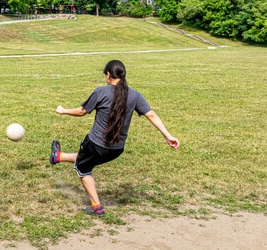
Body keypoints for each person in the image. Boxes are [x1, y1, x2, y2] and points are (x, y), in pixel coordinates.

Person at [50, 60, 179, 216]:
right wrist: (168, 136)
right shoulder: (135, 95)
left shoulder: (101, 92)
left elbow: (82, 111)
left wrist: (63, 110)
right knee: (87, 158)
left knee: (84, 168)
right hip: (116, 150)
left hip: (96, 144)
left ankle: (96, 207)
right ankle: (58, 156)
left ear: (108, 74)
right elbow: (151, 114)